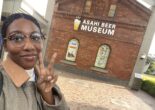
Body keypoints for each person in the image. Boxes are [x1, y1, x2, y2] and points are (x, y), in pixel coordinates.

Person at [0, 13, 69, 110]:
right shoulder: (3, 84)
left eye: (35, 37)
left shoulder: (42, 78)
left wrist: (47, 94)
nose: (29, 46)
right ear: (5, 45)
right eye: (17, 38)